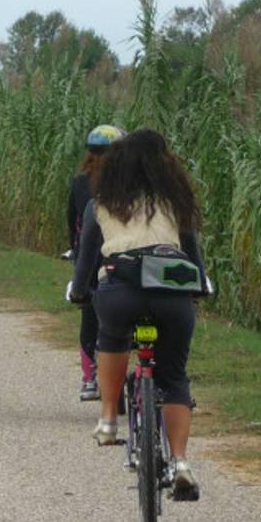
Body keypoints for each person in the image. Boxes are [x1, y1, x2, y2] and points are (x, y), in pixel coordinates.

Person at [69, 128, 209, 501]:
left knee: (111, 339)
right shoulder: (175, 201)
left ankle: (108, 420)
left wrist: (79, 291)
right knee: (174, 376)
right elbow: (193, 257)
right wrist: (204, 286)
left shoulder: (101, 201)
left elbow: (86, 259)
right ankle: (180, 462)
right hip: (172, 295)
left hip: (122, 290)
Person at [66, 124, 126, 401]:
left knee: (88, 311)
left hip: (90, 259)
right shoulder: (131, 183)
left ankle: (90, 377)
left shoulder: (80, 183)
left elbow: (74, 223)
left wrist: (75, 252)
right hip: (122, 257)